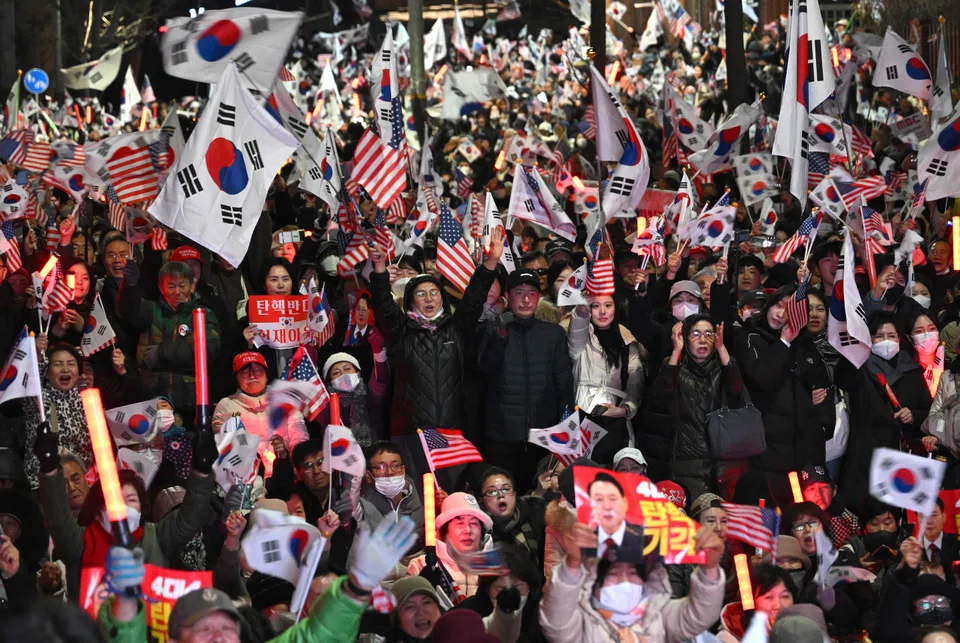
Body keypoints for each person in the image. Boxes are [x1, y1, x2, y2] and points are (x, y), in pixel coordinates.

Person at [367, 232, 502, 478]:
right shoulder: (402, 331)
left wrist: (490, 263)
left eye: (434, 292)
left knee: (449, 500)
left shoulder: (456, 328)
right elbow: (383, 303)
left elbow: (473, 299)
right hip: (410, 433)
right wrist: (378, 270)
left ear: (442, 297)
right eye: (421, 293)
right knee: (419, 502)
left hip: (451, 433)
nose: (429, 298)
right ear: (410, 301)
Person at [34, 420, 217, 601]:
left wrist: (202, 472)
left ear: (141, 508)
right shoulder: (80, 543)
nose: (122, 507)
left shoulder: (158, 537)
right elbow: (58, 520)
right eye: (114, 500)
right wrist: (50, 471)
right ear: (99, 511)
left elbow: (191, 518)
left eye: (131, 500)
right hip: (95, 628)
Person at [538, 518, 726, 642]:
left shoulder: (657, 613)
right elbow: (556, 622)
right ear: (595, 581)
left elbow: (698, 616)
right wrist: (572, 565)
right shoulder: (582, 621)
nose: (624, 581)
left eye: (633, 573)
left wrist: (709, 570)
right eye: (613, 573)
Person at [733, 283, 834, 502]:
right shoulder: (750, 338)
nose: (780, 314)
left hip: (806, 456)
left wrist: (822, 426)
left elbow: (823, 394)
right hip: (765, 455)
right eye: (778, 305)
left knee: (806, 521)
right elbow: (761, 379)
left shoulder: (808, 349)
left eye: (790, 311)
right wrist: (784, 342)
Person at [479, 268, 574, 492]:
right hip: (502, 437)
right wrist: (500, 336)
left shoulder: (553, 334)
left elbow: (564, 384)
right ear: (508, 296)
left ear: (539, 297)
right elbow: (484, 371)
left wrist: (566, 430)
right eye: (519, 292)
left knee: (544, 500)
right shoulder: (492, 330)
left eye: (531, 293)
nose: (525, 299)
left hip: (545, 438)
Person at [639, 314, 744, 496]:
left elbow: (736, 394)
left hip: (721, 463)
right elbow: (660, 401)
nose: (702, 340)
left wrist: (722, 349)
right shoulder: (674, 369)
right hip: (684, 461)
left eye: (709, 334)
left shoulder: (724, 369)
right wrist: (675, 351)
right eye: (695, 334)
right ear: (685, 338)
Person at [837, 312, 931, 507]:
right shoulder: (859, 367)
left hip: (903, 453)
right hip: (867, 452)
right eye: (879, 336)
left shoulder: (913, 370)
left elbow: (927, 410)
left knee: (899, 512)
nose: (885, 341)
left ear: (900, 339)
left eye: (891, 336)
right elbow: (843, 379)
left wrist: (913, 415)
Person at [136, 261, 222, 417]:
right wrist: (130, 285)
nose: (177, 292)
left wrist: (161, 352)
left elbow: (207, 350)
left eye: (182, 286)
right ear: (161, 287)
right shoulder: (152, 311)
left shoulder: (203, 314)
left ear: (192, 286)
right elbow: (129, 308)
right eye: (171, 286)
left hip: (192, 403)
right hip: (155, 401)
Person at [567, 295, 644, 463]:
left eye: (608, 305)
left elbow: (636, 377)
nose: (602, 311)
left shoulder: (626, 339)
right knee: (584, 472)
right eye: (595, 306)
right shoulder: (580, 339)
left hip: (616, 417)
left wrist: (625, 409)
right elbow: (576, 332)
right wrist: (581, 309)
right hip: (583, 414)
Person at [212, 351, 309, 477]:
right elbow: (226, 444)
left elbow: (299, 438)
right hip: (245, 477)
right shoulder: (226, 405)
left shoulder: (284, 401)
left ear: (266, 375)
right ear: (236, 378)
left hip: (287, 472)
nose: (252, 375)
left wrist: (284, 452)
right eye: (245, 372)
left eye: (258, 370)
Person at [22, 343, 92, 489]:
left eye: (71, 364)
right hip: (45, 484)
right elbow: (30, 382)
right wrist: (39, 356)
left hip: (79, 483)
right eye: (58, 364)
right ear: (47, 373)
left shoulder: (85, 401)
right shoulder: (39, 399)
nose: (65, 369)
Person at [408, 492, 494, 598]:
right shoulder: (421, 565)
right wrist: (422, 588)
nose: (468, 530)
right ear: (445, 530)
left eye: (474, 523)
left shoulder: (496, 566)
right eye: (460, 523)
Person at [477, 467, 547, 570]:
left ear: (514, 494)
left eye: (506, 489)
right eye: (492, 492)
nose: (501, 495)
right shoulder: (481, 532)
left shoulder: (535, 517)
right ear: (482, 500)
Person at [357, 442, 424, 543]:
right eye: (381, 467)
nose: (389, 472)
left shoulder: (423, 498)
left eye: (395, 465)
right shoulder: (360, 507)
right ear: (368, 476)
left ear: (403, 470)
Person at [717, 564, 797, 642]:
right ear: (752, 603)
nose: (778, 606)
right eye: (768, 597)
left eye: (785, 596)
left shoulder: (803, 632)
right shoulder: (725, 639)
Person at [586, 471, 645, 560]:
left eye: (612, 499)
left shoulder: (645, 540)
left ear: (624, 503)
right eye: (599, 499)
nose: (607, 506)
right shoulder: (582, 541)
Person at [798, 464, 859, 548]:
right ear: (803, 496)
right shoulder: (799, 522)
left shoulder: (848, 521)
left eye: (823, 487)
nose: (818, 493)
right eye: (811, 489)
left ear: (834, 490)